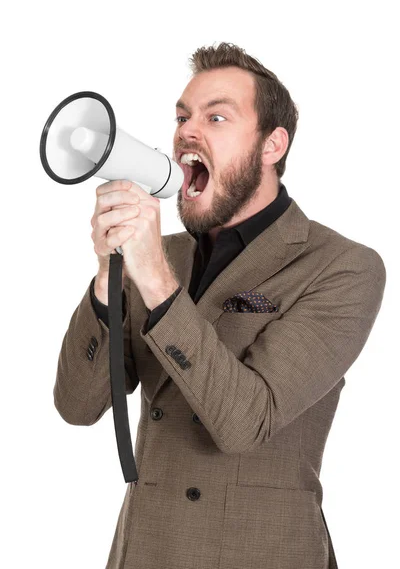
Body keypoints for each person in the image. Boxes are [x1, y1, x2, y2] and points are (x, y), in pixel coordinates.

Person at [54, 42, 386, 569]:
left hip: (260, 553)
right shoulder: (160, 255)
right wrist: (105, 273)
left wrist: (159, 284)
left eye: (216, 116)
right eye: (183, 116)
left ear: (272, 144)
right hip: (144, 551)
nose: (188, 131)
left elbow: (244, 423)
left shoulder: (341, 267)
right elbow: (76, 405)